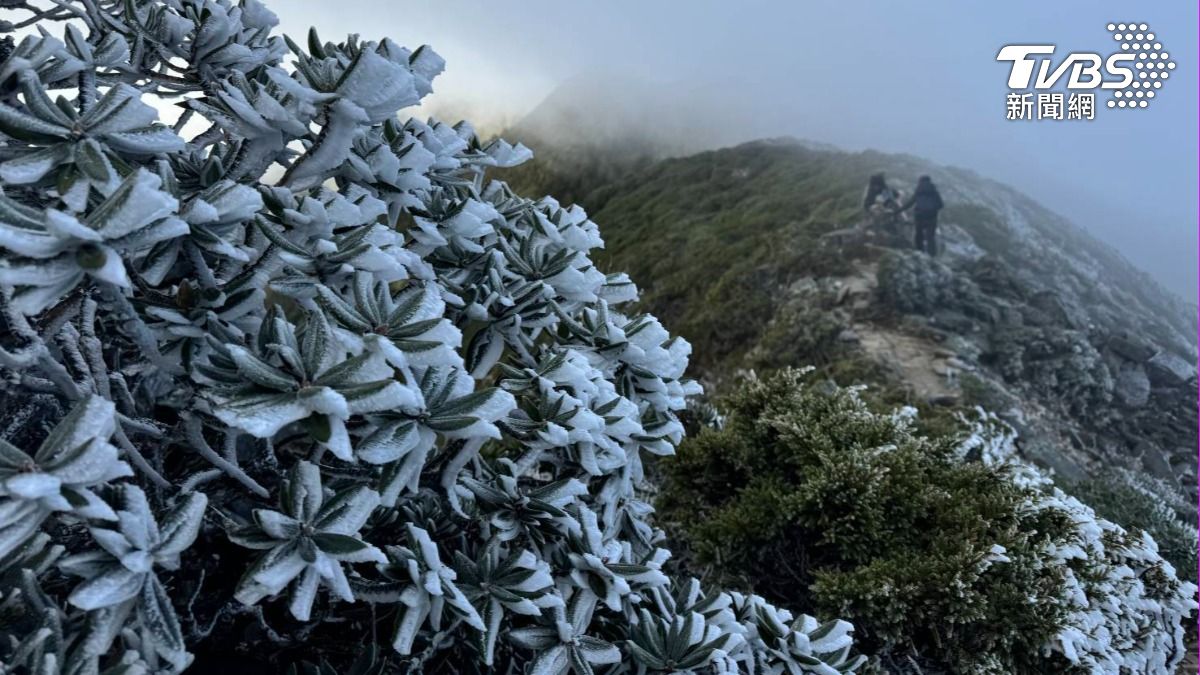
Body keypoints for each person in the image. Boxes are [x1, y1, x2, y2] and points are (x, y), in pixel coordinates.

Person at [901, 175, 944, 255]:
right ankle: (932, 256)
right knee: (930, 237)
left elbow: (909, 203)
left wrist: (898, 211)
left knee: (919, 235)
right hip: (931, 217)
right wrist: (933, 209)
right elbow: (941, 205)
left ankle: (919, 253)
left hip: (919, 216)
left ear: (920, 181)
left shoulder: (918, 191)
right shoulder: (934, 191)